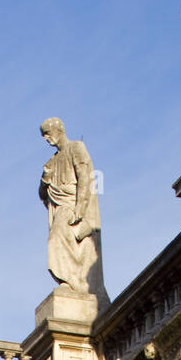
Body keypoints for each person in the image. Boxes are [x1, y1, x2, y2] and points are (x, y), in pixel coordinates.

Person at [38, 118, 109, 305]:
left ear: (59, 129)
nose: (46, 138)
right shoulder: (51, 162)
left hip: (72, 205)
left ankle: (71, 280)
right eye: (43, 135)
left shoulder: (76, 147)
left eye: (47, 133)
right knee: (57, 239)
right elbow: (42, 195)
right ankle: (68, 280)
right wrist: (44, 180)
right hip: (60, 207)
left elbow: (85, 177)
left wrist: (81, 206)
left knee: (56, 239)